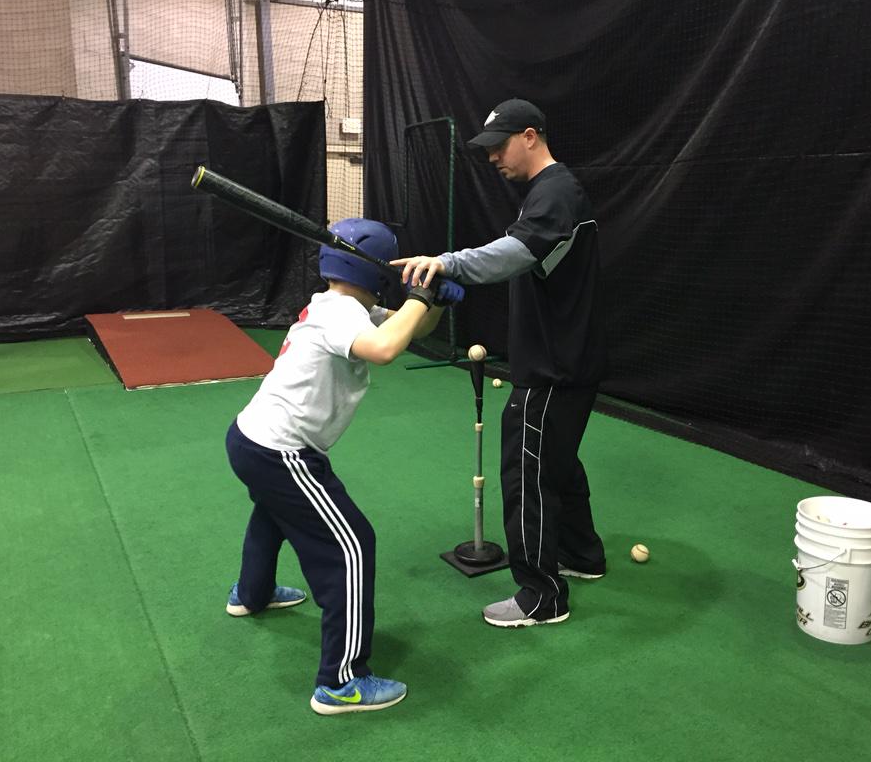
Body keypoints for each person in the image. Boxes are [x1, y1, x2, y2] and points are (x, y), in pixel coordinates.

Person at [224, 218, 463, 714]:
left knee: (274, 513)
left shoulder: (346, 306)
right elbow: (385, 349)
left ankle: (252, 593)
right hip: (282, 450)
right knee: (352, 545)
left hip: (252, 439)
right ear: (376, 269)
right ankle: (341, 680)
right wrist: (419, 297)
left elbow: (407, 327)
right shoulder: (340, 316)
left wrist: (432, 302)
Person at [393, 98, 607, 628]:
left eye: (499, 146)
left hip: (553, 366)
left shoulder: (555, 191)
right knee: (556, 461)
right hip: (569, 359)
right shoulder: (551, 192)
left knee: (527, 470)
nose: (492, 158)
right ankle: (581, 555)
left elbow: (513, 253)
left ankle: (541, 594)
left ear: (530, 136)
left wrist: (447, 262)